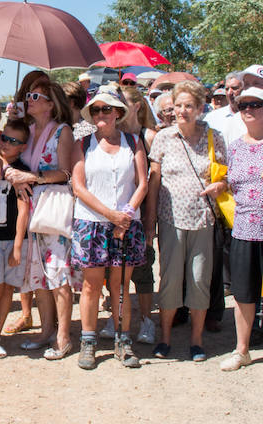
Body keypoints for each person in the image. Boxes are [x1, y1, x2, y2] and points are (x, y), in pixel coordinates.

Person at [147, 80, 227, 362]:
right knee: (170, 280)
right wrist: (150, 223)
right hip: (171, 220)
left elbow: (225, 176)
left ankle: (196, 340)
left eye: (188, 106)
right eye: (178, 106)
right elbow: (154, 183)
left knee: (199, 280)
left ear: (200, 108)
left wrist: (220, 186)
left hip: (204, 219)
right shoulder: (163, 138)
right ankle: (165, 338)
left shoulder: (214, 137)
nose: (182, 111)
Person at [71, 88, 148, 369]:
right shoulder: (82, 144)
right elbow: (79, 187)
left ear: (118, 112)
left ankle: (122, 340)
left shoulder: (134, 141)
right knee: (91, 285)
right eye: (95, 110)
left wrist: (125, 214)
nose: (100, 114)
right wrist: (110, 215)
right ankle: (88, 342)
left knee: (121, 286)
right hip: (91, 223)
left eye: (106, 109)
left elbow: (142, 182)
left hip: (126, 223)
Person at [219, 87, 263, 371]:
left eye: (256, 104)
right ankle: (242, 350)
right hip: (243, 227)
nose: (249, 109)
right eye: (243, 105)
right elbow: (229, 180)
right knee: (243, 293)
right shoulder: (234, 146)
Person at [7, 78, 76, 360]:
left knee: (58, 272)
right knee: (38, 273)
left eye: (35, 96)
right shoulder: (29, 130)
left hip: (54, 205)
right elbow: (5, 150)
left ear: (51, 103)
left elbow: (65, 172)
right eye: (29, 96)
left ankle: (64, 336)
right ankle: (47, 329)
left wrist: (32, 177)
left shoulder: (63, 131)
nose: (29, 100)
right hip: (32, 206)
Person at [0, 119, 31, 358]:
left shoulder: (21, 170)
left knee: (8, 289)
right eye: (3, 138)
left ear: (22, 146)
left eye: (13, 141)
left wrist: (18, 245)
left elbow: (24, 210)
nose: (6, 143)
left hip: (12, 239)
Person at [117, 85, 159, 345]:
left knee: (143, 271)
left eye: (121, 102)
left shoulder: (150, 137)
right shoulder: (112, 135)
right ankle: (117, 318)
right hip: (117, 213)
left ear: (137, 106)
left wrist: (150, 223)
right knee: (114, 271)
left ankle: (146, 319)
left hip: (142, 212)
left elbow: (153, 184)